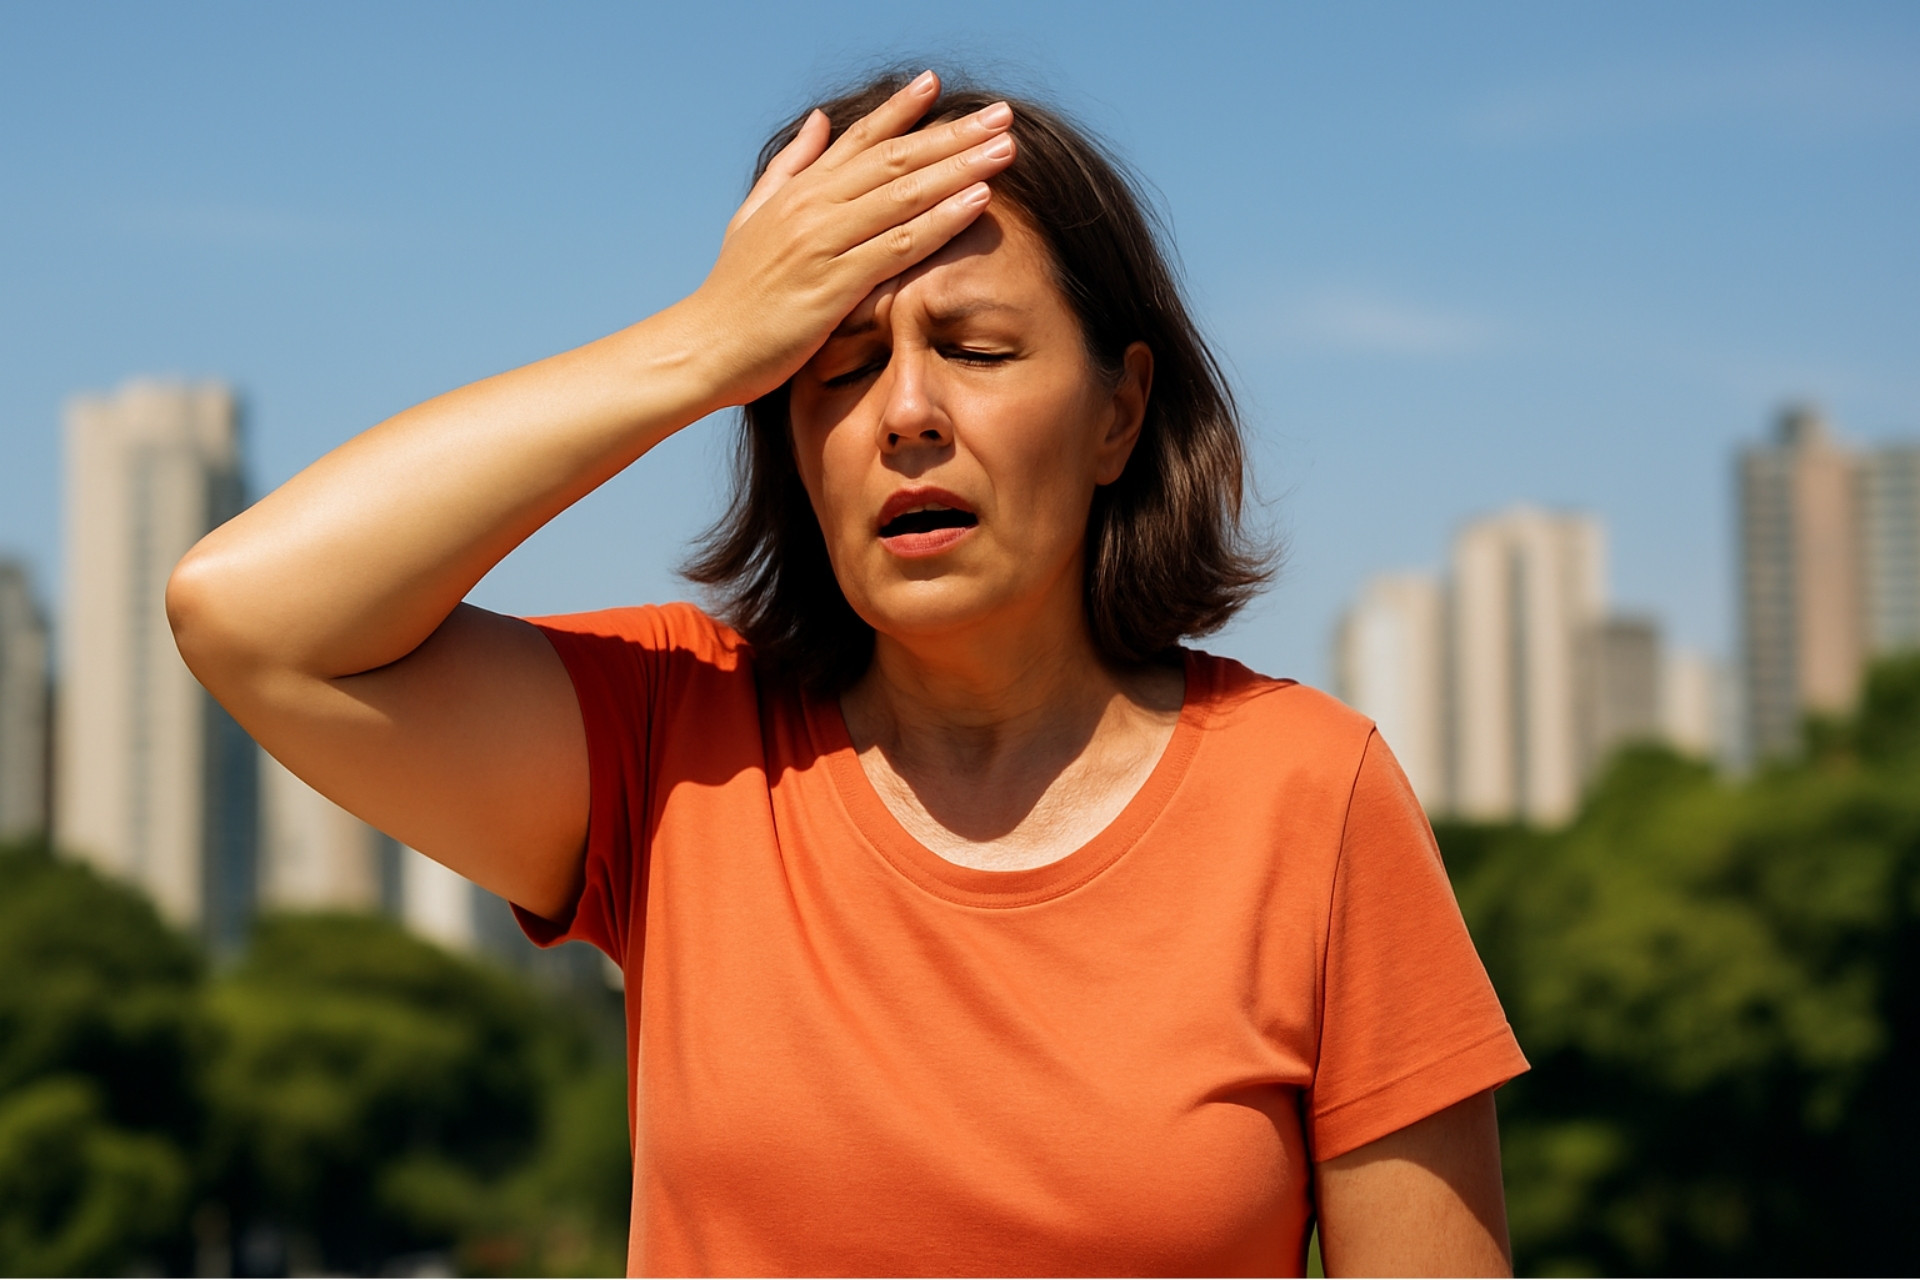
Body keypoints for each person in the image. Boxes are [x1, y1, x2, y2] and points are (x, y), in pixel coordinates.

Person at [169, 69, 1527, 1277]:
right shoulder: (678, 743)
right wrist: (704, 341)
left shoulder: (1312, 794)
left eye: (978, 351)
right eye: (835, 368)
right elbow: (248, 615)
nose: (908, 413)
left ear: (1120, 412)